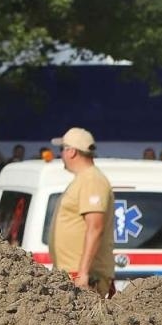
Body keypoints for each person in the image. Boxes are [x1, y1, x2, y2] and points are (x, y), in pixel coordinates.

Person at [51, 127, 114, 297]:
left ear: (71, 152)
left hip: (82, 278)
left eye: (62, 149)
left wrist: (83, 273)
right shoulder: (84, 179)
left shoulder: (92, 180)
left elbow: (95, 227)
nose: (61, 155)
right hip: (72, 275)